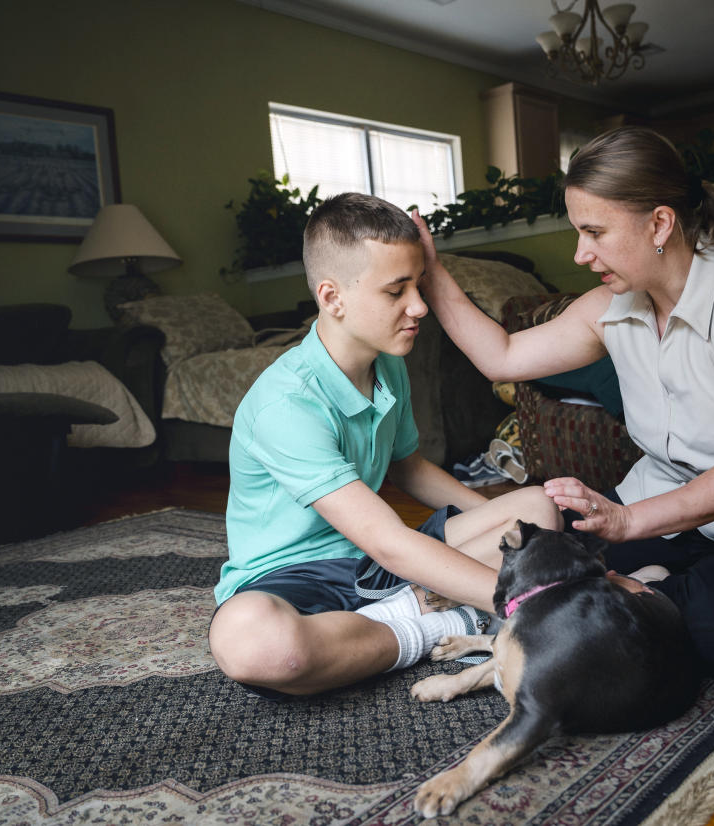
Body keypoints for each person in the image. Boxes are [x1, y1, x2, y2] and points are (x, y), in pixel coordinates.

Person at [412, 126, 714, 674]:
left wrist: (624, 523)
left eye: (595, 231)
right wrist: (431, 272)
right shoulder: (611, 308)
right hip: (666, 520)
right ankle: (625, 593)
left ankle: (601, 596)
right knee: (544, 554)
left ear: (660, 223)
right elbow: (500, 356)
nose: (580, 253)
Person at [209, 192, 560, 697]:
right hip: (297, 579)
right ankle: (429, 625)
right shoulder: (284, 404)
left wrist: (502, 526)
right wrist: (531, 602)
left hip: (376, 566)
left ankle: (419, 613)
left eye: (418, 285)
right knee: (255, 643)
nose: (419, 306)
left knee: (534, 508)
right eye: (396, 291)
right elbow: (388, 541)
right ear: (332, 298)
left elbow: (410, 468)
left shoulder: (387, 363)